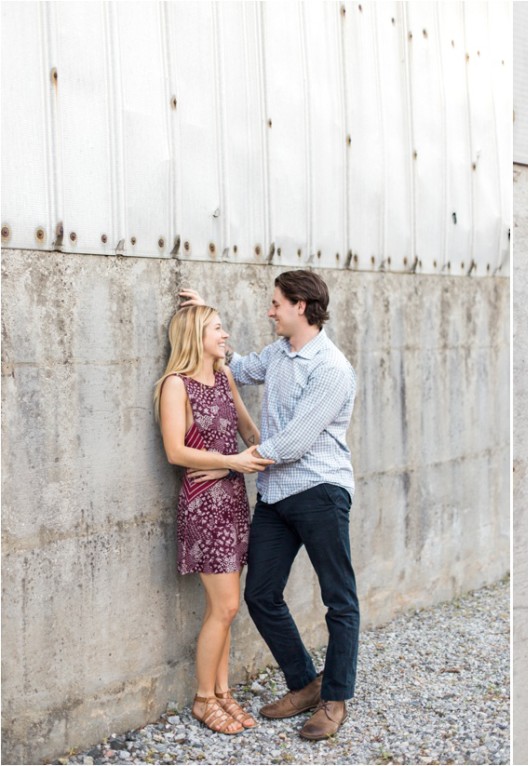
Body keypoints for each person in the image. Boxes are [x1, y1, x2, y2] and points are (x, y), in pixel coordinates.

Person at [180, 269, 358, 741]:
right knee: (259, 594)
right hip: (277, 495)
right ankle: (304, 682)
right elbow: (235, 366)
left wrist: (228, 464)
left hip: (320, 491)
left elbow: (296, 441)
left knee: (339, 599)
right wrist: (202, 317)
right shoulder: (278, 354)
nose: (269, 309)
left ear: (301, 306)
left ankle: (334, 699)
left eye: (276, 302)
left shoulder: (332, 368)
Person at [155, 305, 274, 734]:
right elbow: (175, 452)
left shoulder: (223, 378)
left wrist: (259, 452)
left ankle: (224, 693)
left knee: (224, 608)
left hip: (233, 498)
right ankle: (204, 699)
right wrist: (230, 463)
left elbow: (248, 433)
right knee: (225, 606)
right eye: (218, 329)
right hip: (204, 504)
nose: (226, 335)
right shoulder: (175, 385)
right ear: (195, 335)